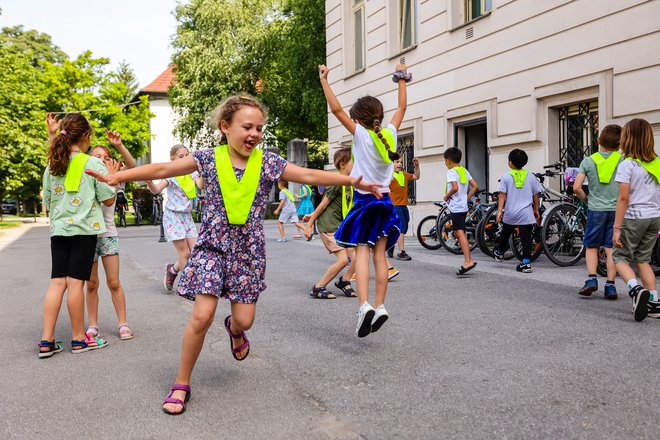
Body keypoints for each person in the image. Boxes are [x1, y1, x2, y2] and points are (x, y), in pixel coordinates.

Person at [85, 94, 382, 415]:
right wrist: (119, 177)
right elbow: (162, 167)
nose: (254, 133)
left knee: (244, 319)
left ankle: (235, 330)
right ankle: (181, 383)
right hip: (212, 249)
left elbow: (308, 175)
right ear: (225, 126)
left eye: (259, 128)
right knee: (201, 316)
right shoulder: (208, 159)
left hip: (247, 255)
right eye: (247, 126)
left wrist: (352, 180)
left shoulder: (268, 162)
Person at [319, 62, 409, 338]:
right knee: (380, 256)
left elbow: (335, 110)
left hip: (364, 202)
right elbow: (402, 108)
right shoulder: (390, 134)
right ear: (379, 116)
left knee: (360, 254)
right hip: (386, 205)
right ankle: (381, 305)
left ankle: (364, 305)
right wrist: (401, 79)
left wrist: (324, 80)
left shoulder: (360, 135)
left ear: (358, 120)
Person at [39, 113, 115, 358]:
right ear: (86, 137)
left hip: (59, 231)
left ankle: (47, 340)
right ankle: (78, 338)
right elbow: (108, 199)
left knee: (56, 282)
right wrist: (112, 177)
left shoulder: (53, 164)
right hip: (83, 231)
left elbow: (48, 200)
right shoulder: (92, 163)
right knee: (75, 283)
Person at [612, 118, 660, 322]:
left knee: (619, 257)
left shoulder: (627, 165)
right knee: (643, 259)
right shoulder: (657, 163)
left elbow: (623, 198)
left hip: (633, 218)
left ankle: (636, 289)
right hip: (654, 218)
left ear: (627, 139)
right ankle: (655, 304)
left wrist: (616, 227)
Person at [573, 124, 622, 300]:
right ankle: (610, 286)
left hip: (596, 209)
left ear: (599, 140)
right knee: (611, 248)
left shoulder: (588, 161)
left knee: (592, 246)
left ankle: (592, 280)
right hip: (616, 211)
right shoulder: (623, 161)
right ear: (620, 145)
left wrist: (586, 199)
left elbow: (576, 187)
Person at [145, 145, 203, 291]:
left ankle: (173, 269)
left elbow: (201, 185)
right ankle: (188, 286)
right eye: (180, 156)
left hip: (187, 216)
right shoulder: (171, 175)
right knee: (185, 253)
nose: (184, 159)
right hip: (173, 216)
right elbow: (156, 190)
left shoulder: (192, 173)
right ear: (173, 159)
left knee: (195, 252)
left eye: (186, 155)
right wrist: (150, 182)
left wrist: (204, 173)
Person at [303, 147, 357, 299]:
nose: (355, 164)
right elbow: (323, 204)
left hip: (341, 226)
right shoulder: (336, 182)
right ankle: (318, 287)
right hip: (329, 226)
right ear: (342, 164)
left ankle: (344, 281)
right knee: (343, 259)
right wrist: (310, 223)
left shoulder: (350, 183)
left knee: (359, 257)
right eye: (353, 161)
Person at [493, 149, 542, 273]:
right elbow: (536, 194)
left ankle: (499, 252)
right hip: (526, 213)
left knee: (505, 233)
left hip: (511, 212)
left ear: (510, 162)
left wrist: (499, 211)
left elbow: (502, 195)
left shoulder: (506, 177)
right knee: (526, 238)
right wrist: (536, 209)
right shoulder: (531, 176)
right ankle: (526, 263)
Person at [443, 147, 478, 275]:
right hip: (462, 207)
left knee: (460, 232)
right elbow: (475, 186)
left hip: (456, 207)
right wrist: (466, 198)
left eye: (445, 161)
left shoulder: (451, 172)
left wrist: (447, 196)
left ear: (448, 161)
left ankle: (468, 260)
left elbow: (455, 187)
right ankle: (470, 258)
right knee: (458, 233)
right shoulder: (463, 170)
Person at [387, 156, 420, 261]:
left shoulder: (404, 174)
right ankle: (401, 252)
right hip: (394, 205)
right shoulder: (388, 176)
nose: (400, 164)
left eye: (400, 162)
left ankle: (391, 244)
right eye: (397, 162)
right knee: (402, 226)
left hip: (403, 204)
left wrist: (417, 165)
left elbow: (416, 177)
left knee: (405, 224)